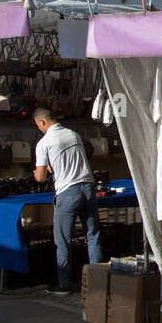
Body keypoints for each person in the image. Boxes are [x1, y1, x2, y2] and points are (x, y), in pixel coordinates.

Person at [32, 107, 105, 293]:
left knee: (63, 239)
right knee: (93, 235)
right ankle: (98, 280)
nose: (39, 129)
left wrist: (38, 172)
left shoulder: (44, 142)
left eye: (38, 125)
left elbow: (40, 177)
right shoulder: (73, 135)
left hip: (68, 191)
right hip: (88, 187)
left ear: (42, 122)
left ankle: (64, 283)